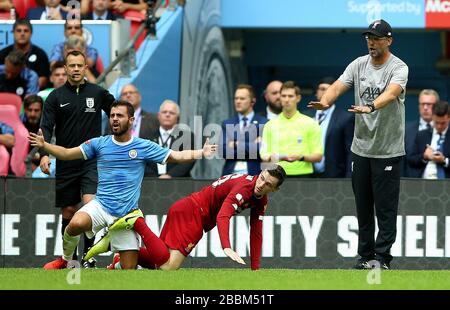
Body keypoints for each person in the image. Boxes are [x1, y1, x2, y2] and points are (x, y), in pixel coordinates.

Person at [29, 100, 217, 269]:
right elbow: (67, 154)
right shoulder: (99, 143)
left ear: (131, 120)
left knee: (128, 271)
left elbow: (176, 156)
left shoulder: (143, 146)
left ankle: (115, 262)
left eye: (119, 115)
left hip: (127, 215)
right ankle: (65, 259)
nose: (114, 119)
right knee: (75, 224)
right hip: (101, 206)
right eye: (112, 116)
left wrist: (202, 152)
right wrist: (45, 146)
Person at [308, 19, 408, 269]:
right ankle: (365, 257)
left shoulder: (399, 67)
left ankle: (382, 258)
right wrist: (326, 101)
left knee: (385, 210)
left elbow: (393, 92)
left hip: (388, 150)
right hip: (361, 149)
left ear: (389, 40)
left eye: (376, 38)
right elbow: (338, 86)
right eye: (368, 38)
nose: (371, 42)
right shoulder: (358, 64)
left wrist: (371, 106)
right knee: (363, 208)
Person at [86, 165, 286, 271]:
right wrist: (226, 246)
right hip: (193, 214)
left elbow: (256, 232)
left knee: (159, 261)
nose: (262, 184)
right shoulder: (244, 188)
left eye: (268, 184)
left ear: (275, 189)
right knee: (169, 267)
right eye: (262, 178)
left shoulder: (261, 199)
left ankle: (121, 253)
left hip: (188, 210)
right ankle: (137, 222)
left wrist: (255, 269)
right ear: (259, 173)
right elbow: (223, 215)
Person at [39, 50, 116, 268]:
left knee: (90, 205)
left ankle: (88, 257)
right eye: (71, 65)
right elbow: (46, 127)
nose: (75, 69)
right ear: (65, 68)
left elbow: (116, 111)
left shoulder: (98, 93)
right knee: (69, 212)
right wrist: (44, 154)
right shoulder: (55, 97)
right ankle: (69, 260)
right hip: (65, 159)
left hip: (92, 159)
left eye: (79, 65)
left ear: (85, 68)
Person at [260, 81, 323, 177]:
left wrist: (301, 157)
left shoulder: (311, 123)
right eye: (283, 96)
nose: (286, 99)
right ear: (280, 98)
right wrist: (276, 157)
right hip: (275, 175)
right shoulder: (269, 125)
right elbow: (263, 154)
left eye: (290, 96)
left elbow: (318, 156)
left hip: (303, 175)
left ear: (298, 98)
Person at [312, 77, 354, 178]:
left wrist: (349, 176)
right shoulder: (305, 117)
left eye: (329, 90)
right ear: (316, 93)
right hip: (306, 173)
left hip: (334, 175)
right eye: (322, 89)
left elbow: (350, 150)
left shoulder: (345, 118)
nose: (325, 93)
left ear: (336, 95)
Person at [222, 84, 268, 176]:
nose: (238, 101)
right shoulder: (227, 123)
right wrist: (252, 145)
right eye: (236, 98)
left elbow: (262, 150)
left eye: (242, 99)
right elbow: (224, 150)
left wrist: (235, 144)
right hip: (230, 175)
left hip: (255, 175)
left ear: (253, 101)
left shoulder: (264, 123)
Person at [145, 100, 195, 178]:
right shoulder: (147, 137)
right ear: (158, 116)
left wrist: (169, 176)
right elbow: (142, 162)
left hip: (179, 183)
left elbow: (188, 160)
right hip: (151, 183)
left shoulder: (187, 136)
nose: (167, 115)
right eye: (164, 112)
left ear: (177, 118)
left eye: (171, 113)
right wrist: (155, 179)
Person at [0, 19, 50, 89]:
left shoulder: (40, 54)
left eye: (26, 31)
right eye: (19, 31)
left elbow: (43, 79)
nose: (22, 34)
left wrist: (30, 87)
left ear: (31, 33)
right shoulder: (3, 53)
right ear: (13, 32)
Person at [407, 100, 449, 179]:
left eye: (443, 123)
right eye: (436, 122)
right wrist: (424, 156)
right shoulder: (422, 135)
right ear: (432, 116)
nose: (439, 126)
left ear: (449, 118)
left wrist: (444, 160)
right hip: (423, 185)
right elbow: (411, 160)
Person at [404, 89, 440, 177]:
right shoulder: (406, 130)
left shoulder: (445, 129)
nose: (425, 108)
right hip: (413, 182)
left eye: (429, 104)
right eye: (422, 104)